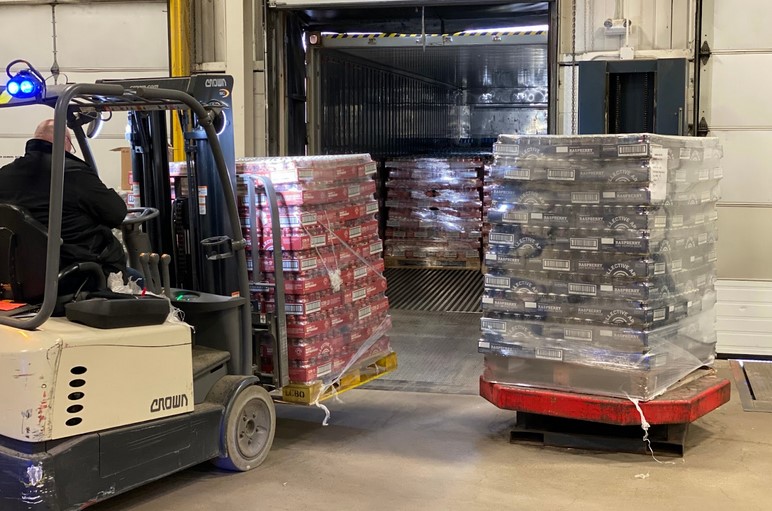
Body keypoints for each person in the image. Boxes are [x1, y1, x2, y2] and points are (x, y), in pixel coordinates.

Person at [0, 119, 129, 279]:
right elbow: (116, 213)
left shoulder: (4, 175)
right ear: (66, 141)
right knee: (138, 280)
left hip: (22, 273)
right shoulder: (73, 173)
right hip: (78, 268)